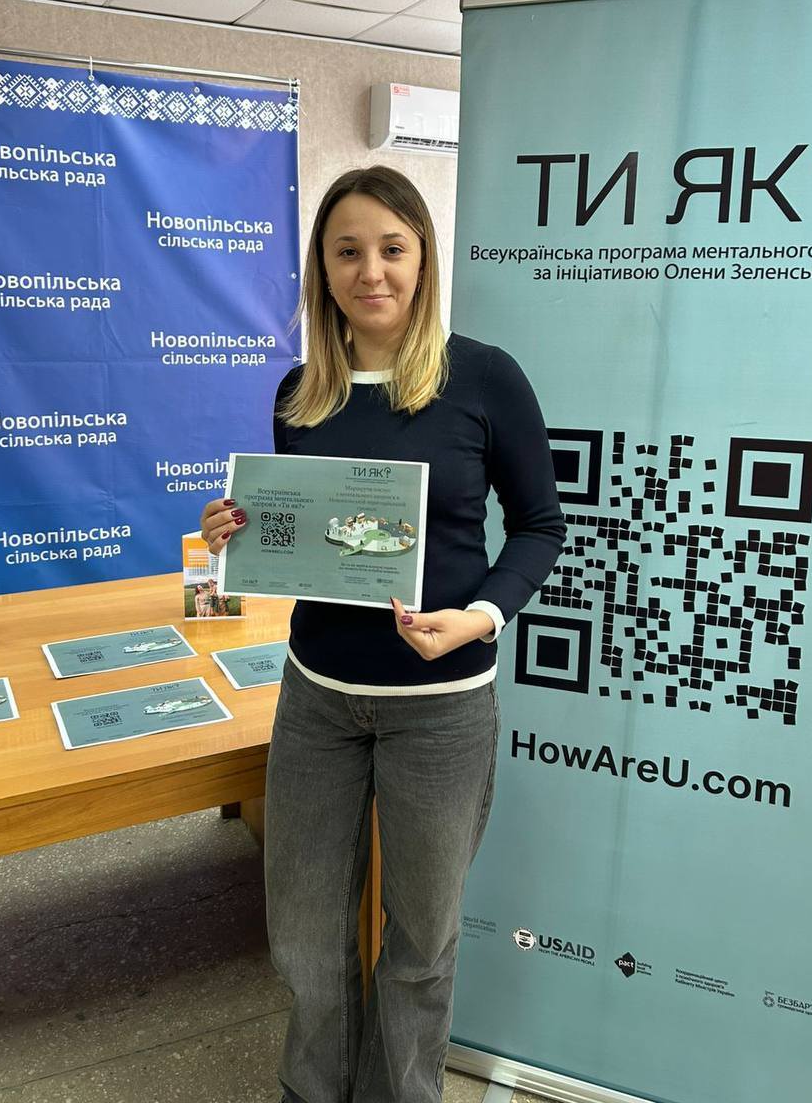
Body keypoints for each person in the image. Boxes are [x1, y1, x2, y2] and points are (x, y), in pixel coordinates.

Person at [200, 166, 565, 1103]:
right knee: (305, 941)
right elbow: (303, 536)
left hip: (440, 708)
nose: (372, 272)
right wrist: (239, 531)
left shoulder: (483, 377)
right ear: (322, 271)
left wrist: (481, 616)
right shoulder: (299, 393)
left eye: (392, 249)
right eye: (348, 252)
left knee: (421, 943)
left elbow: (540, 527)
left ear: (423, 259)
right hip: (318, 698)